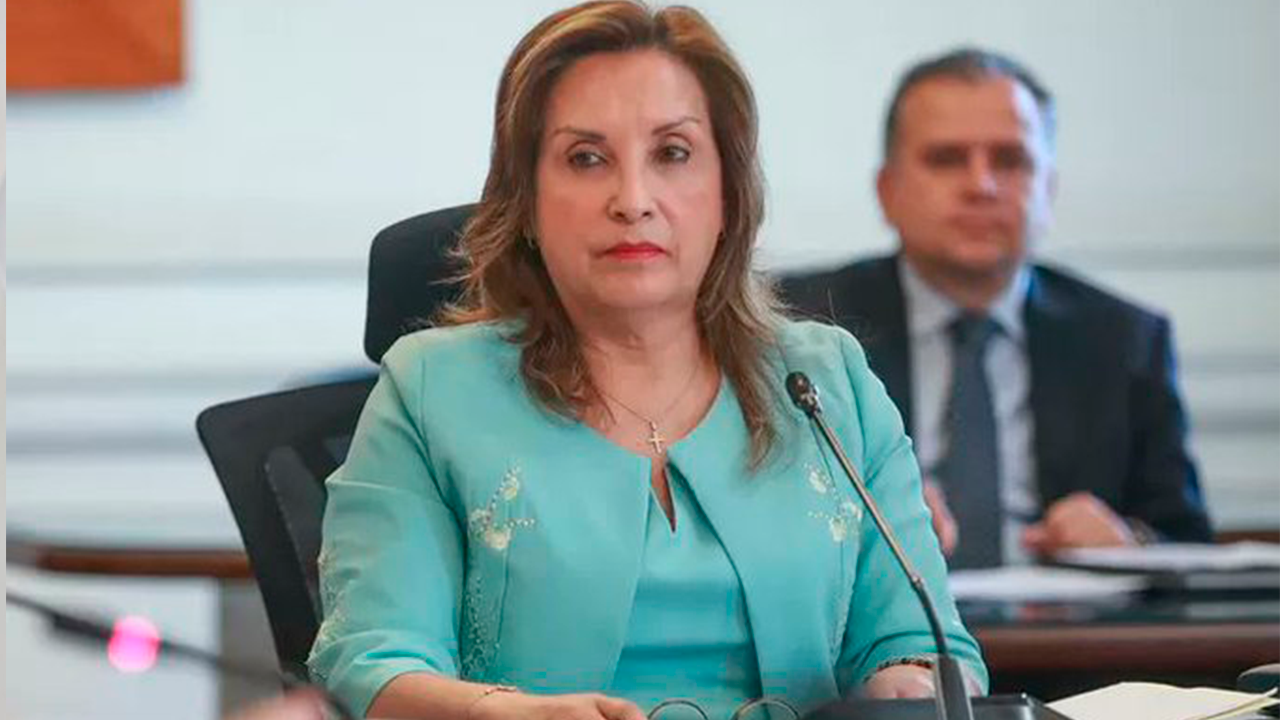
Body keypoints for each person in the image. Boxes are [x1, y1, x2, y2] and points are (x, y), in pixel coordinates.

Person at [308, 3, 985, 719]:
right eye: (586, 158)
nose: (633, 201)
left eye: (673, 153)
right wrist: (503, 715)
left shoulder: (826, 382)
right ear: (526, 201)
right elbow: (371, 662)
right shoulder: (432, 391)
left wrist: (909, 688)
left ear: (729, 193)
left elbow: (919, 642)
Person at [780, 48, 1213, 569]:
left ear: (1048, 189)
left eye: (1009, 160)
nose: (980, 185)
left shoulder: (1125, 339)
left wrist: (1130, 542)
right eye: (946, 159)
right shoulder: (795, 324)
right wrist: (852, 521)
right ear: (887, 191)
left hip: (1071, 618)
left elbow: (1186, 541)